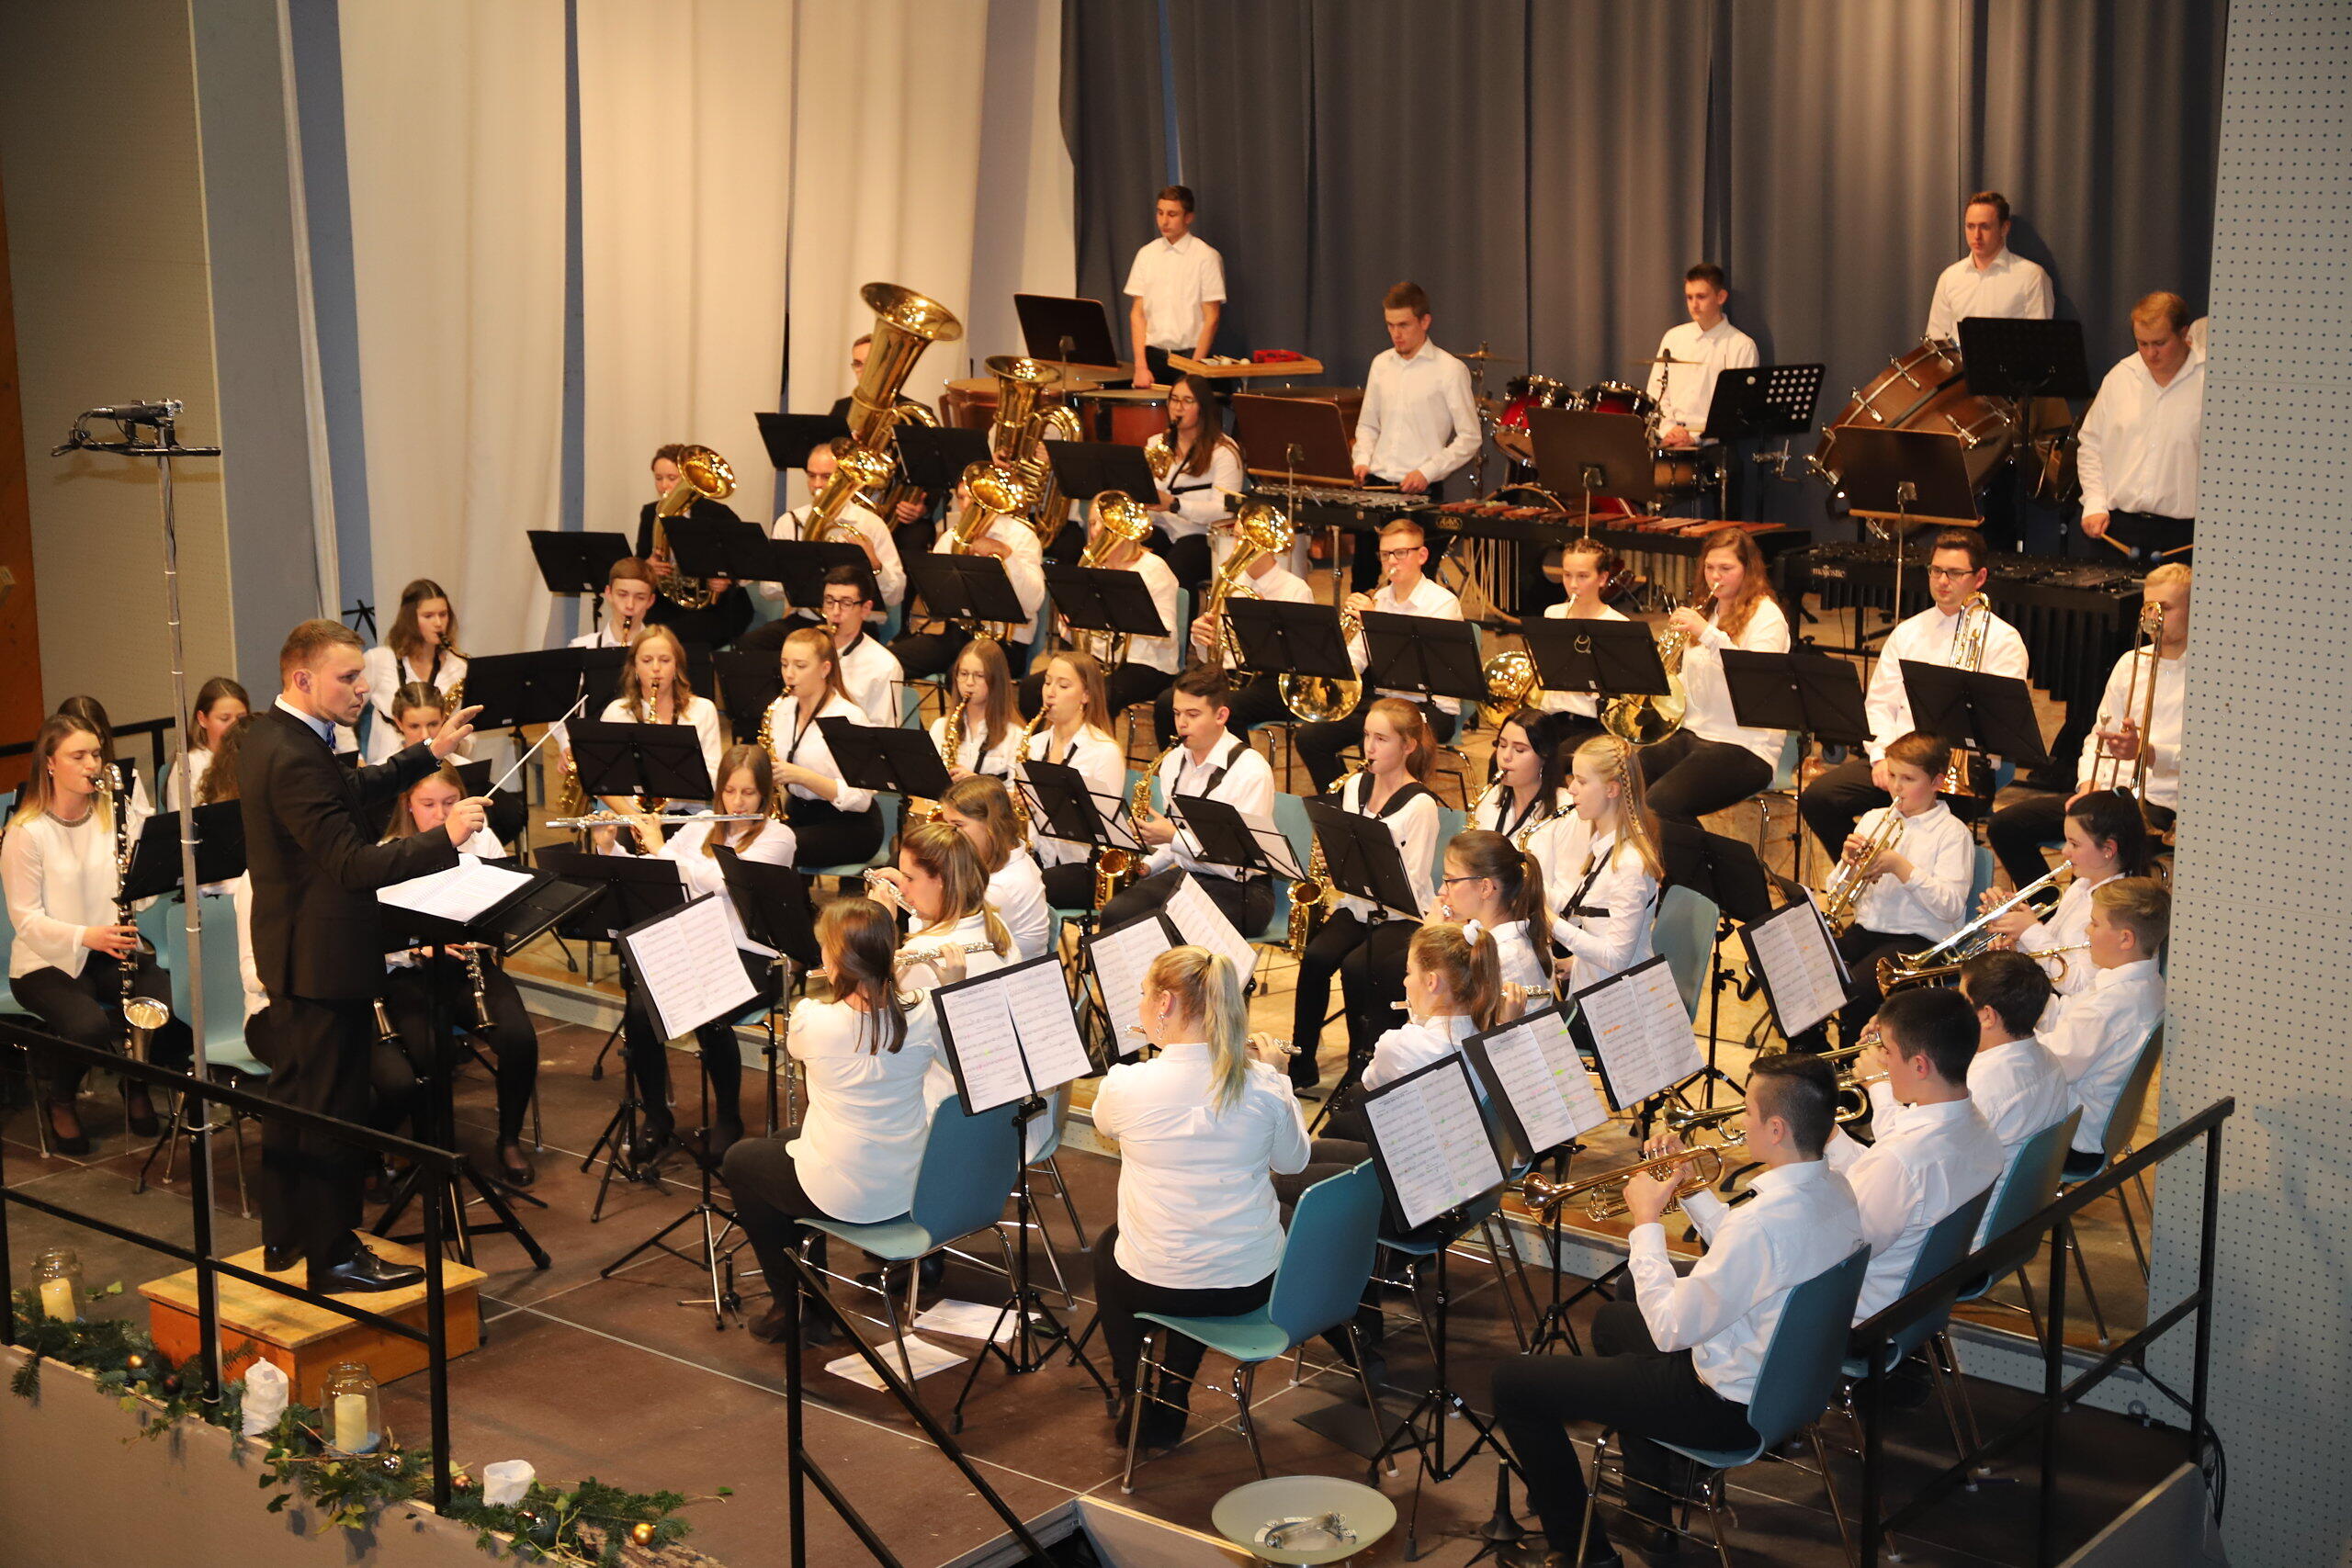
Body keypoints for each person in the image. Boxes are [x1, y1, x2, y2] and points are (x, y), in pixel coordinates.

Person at [1492, 1055, 1863, 1566]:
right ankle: (1650, 1508)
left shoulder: (1760, 1224)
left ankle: (1586, 1555)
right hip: (1790, 1385)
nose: (1739, 1125)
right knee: (1614, 1322)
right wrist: (1691, 1190)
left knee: (1515, 1384)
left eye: (1748, 1114)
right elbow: (1756, 1260)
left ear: (1776, 1128)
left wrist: (1646, 1221)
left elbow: (1670, 1330)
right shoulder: (1838, 1189)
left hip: (1724, 1407)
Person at [239, 618, 484, 1292]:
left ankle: (288, 1237)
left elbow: (345, 795)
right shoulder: (292, 754)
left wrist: (426, 751)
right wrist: (448, 839)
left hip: (303, 951)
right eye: (347, 678)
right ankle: (334, 1255)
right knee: (331, 1110)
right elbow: (350, 863)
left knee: (297, 1102)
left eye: (361, 675)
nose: (361, 688)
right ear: (302, 677)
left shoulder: (279, 734)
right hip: (319, 958)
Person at [1090, 947, 1306, 1449]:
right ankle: (1172, 1387)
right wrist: (1277, 1074)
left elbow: (1104, 1122)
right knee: (1198, 1248)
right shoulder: (1263, 1087)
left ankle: (1134, 1390)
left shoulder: (1127, 1085)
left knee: (1112, 1250)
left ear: (1165, 1004)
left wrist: (1158, 1052)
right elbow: (1293, 1163)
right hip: (1249, 1282)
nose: (1141, 1004)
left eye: (1145, 995)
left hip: (1158, 1283)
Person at [724, 898, 942, 1348]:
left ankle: (793, 1305)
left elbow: (813, 1030)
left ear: (838, 958)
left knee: (742, 1161)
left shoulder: (815, 1021)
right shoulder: (925, 1013)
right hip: (910, 1177)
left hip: (852, 1190)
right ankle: (811, 1299)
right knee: (787, 1143)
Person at [3, 716, 196, 1154]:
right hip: (43, 960)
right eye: (79, 756)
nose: (92, 764)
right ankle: (62, 1100)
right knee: (87, 1025)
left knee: (167, 1001)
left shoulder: (113, 815)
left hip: (107, 948)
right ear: (50, 763)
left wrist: (149, 880)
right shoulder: (26, 832)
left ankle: (136, 1080)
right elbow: (25, 920)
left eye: (96, 754)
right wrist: (85, 935)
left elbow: (137, 896)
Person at [611, 745, 796, 1164]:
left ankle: (728, 1116)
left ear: (765, 795)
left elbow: (721, 880)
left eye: (749, 793)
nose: (737, 802)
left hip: (753, 956)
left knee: (710, 1013)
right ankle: (657, 1116)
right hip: (695, 944)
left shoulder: (779, 837)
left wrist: (661, 848)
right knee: (641, 1010)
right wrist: (612, 847)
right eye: (730, 791)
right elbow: (662, 876)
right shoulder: (700, 825)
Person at [1798, 529, 2030, 855]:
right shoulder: (1908, 633)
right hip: (1899, 762)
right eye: (1936, 570)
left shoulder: (2003, 641)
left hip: (1960, 773)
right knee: (1820, 798)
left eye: (1955, 573)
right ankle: (1866, 874)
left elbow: (2002, 721)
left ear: (1979, 578)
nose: (1942, 581)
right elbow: (1879, 704)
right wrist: (1881, 758)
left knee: (1929, 835)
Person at [377, 763, 541, 1186]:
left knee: (520, 1038)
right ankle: (430, 1146)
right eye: (428, 805)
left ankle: (508, 1139)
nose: (441, 814)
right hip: (412, 974)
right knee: (430, 1052)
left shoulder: (482, 838)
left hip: (469, 967)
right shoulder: (391, 850)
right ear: (407, 806)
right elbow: (379, 939)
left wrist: (486, 937)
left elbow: (508, 905)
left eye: (450, 803)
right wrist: (417, 948)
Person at [1985, 564, 2186, 882]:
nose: (2153, 617)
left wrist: (2147, 752)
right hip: (2105, 793)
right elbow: (2098, 736)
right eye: (2149, 607)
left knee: (2092, 846)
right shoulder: (2130, 662)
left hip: (2160, 803)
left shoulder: (2211, 680)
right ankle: (2048, 915)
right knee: (2005, 826)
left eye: (2166, 608)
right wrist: (2087, 784)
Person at [1822, 988, 2005, 1321]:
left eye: (1887, 1052)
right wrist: (1832, 1139)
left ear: (1920, 1065)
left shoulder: (1900, 1162)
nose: (1881, 1061)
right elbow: (1888, 1184)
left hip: (1859, 1315)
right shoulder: (1981, 1127)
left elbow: (1835, 1253)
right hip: (1923, 1302)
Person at [1289, 698, 1441, 1091]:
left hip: (1402, 916)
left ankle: (1362, 1070)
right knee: (1317, 957)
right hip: (1356, 905)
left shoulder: (1421, 804)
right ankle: (1300, 1062)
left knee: (1359, 968)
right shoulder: (1356, 784)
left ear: (1408, 746)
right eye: (1366, 737)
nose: (1369, 748)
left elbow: (1411, 878)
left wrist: (1353, 865)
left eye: (1381, 739)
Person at [1803, 730, 1973, 1049]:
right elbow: (1838, 894)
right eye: (1893, 775)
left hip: (1921, 940)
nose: (1896, 786)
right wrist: (1848, 864)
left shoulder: (1952, 833)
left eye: (1908, 778)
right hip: (1868, 931)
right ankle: (1812, 1057)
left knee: (1856, 991)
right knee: (1802, 971)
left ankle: (1853, 1070)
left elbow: (1950, 907)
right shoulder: (1872, 819)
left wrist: (1902, 868)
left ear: (1937, 782)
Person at [1099, 667, 1278, 937]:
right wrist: (1149, 865)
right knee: (1117, 913)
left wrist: (1171, 837)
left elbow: (1235, 863)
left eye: (1193, 715)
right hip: (1190, 878)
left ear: (1221, 715)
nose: (1181, 723)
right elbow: (1179, 842)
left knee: (1171, 924)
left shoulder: (1251, 771)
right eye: (1176, 713)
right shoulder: (1173, 761)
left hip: (1244, 892)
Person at [1295, 516, 1467, 792]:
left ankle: (1380, 810)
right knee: (1310, 737)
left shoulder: (1443, 603)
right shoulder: (1380, 598)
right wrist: (1334, 660)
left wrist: (1374, 623)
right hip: (1384, 702)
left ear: (1422, 555)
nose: (1392, 562)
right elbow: (1357, 659)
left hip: (1431, 707)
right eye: (1386, 555)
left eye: (1401, 553)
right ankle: (1341, 807)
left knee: (1381, 740)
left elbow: (1420, 667)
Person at [1638, 526, 1791, 823]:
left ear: (1748, 570)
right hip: (1695, 733)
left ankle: (1701, 866)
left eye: (1726, 568)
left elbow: (1754, 681)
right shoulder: (1708, 609)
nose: (1715, 576)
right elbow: (1695, 682)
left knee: (1660, 804)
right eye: (1709, 567)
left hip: (1746, 745)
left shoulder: (1767, 617)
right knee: (1624, 780)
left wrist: (1708, 634)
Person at [1347, 282, 1481, 589]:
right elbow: (1368, 426)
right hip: (1375, 486)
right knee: (1363, 581)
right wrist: (1362, 460)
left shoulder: (1450, 370)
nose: (1396, 333)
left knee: (1415, 585)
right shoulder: (1380, 365)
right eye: (1390, 326)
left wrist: (1427, 471)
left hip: (1420, 491)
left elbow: (1470, 437)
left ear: (1425, 322)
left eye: (1404, 325)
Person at [1019, 494, 1182, 720]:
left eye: (1104, 523)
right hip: (1097, 661)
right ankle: (1041, 750)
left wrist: (1130, 618)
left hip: (1146, 665)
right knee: (1031, 689)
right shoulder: (1092, 567)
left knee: (1100, 695)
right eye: (1093, 523)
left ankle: (1094, 753)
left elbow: (1168, 636)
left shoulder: (1154, 569)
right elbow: (1073, 631)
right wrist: (1070, 623)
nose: (1096, 531)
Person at [1981, 788, 2149, 1000]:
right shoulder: (2081, 885)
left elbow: (2079, 985)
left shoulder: (2116, 909)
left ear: (2108, 849)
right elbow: (2049, 943)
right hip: (2047, 991)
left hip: (2069, 1008)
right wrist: (2014, 934)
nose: (2064, 851)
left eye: (2075, 844)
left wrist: (2030, 930)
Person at [2041, 877, 2167, 1155]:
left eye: (2095, 923)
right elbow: (2067, 1013)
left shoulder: (2108, 1008)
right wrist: (2024, 993)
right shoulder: (2149, 983)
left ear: (2126, 938)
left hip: (2072, 1134)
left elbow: (2044, 1066)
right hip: (2098, 1122)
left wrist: (2003, 1017)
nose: (2087, 930)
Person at [1152, 532, 1314, 747]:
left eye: (1249, 538)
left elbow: (1300, 655)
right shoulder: (1229, 585)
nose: (1240, 544)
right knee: (1167, 702)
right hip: (1229, 675)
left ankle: (1236, 774)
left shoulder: (1295, 589)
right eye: (1237, 536)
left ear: (1269, 543)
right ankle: (1177, 773)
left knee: (1229, 709)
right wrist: (1201, 638)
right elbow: (1213, 653)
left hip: (1274, 682)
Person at [2076, 294, 2204, 563]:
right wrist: (2094, 503)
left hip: (2184, 536)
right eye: (2142, 343)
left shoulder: (2209, 381)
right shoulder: (2120, 377)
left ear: (2183, 333)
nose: (2150, 353)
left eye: (2159, 343)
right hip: (2118, 530)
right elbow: (2091, 445)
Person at [890, 471, 1046, 681]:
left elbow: (1033, 601)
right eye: (961, 498)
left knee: (958, 678)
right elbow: (935, 599)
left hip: (1004, 644)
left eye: (974, 499)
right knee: (890, 662)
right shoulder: (951, 538)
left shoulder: (1022, 537)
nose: (966, 506)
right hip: (956, 634)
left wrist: (1005, 554)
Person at [749, 439, 907, 644]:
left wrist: (875, 565)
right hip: (805, 621)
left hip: (856, 625)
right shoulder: (790, 521)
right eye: (811, 475)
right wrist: (795, 572)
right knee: (751, 645)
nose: (816, 485)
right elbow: (768, 590)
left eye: (826, 477)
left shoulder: (871, 524)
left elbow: (896, 596)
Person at [762, 626, 885, 871]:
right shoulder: (782, 710)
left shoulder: (848, 717)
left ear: (825, 669)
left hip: (850, 825)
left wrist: (802, 776)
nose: (789, 674)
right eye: (785, 664)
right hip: (798, 814)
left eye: (800, 665)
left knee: (775, 847)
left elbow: (860, 800)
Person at [1551, 735, 1666, 994]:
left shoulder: (1629, 865)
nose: (1571, 789)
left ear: (1611, 790)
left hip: (1622, 1000)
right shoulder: (1603, 845)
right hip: (1597, 984)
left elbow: (1616, 958)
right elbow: (1600, 923)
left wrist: (1552, 924)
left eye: (1581, 781)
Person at [1931, 951, 2074, 1151]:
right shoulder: (2048, 1057)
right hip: (2031, 1179)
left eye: (1963, 1000)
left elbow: (1921, 1153)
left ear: (1988, 1016)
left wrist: (1880, 1081)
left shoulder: (1977, 1088)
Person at [1019, 651, 1125, 910]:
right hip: (1038, 856)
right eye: (1047, 682)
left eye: (1063, 685)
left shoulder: (1104, 752)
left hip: (1085, 867)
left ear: (1086, 695)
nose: (1050, 692)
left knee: (1023, 894)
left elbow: (1103, 830)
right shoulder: (1033, 745)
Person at [636, 444, 753, 650]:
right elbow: (641, 559)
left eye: (672, 478)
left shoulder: (718, 514)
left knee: (669, 638)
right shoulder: (649, 513)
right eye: (658, 478)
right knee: (645, 632)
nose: (664, 486)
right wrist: (648, 567)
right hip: (668, 604)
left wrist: (727, 579)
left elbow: (746, 559)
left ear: (688, 479)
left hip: (718, 607)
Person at [830, 333, 937, 559]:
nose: (864, 371)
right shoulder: (841, 410)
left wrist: (921, 509)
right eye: (858, 364)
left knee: (916, 539)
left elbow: (935, 476)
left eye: (871, 364)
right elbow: (822, 464)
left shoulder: (917, 414)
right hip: (847, 508)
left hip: (897, 516)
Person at [592, 626, 725, 807]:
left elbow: (715, 778)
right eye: (647, 660)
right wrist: (635, 820)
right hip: (631, 816)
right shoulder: (617, 712)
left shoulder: (703, 710)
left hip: (688, 815)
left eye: (665, 660)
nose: (656, 668)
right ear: (635, 667)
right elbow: (604, 780)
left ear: (676, 665)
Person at [1142, 372, 1247, 594]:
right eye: (1174, 399)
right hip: (1162, 528)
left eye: (1188, 401)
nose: (1178, 407)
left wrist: (1175, 504)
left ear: (1203, 408)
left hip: (1203, 537)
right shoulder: (1155, 444)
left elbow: (1224, 511)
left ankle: (1182, 628)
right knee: (1134, 558)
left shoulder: (1224, 451)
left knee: (1177, 569)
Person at [1432, 830, 1553, 1010]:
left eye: (1451, 880)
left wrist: (1431, 938)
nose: (1442, 890)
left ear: (1485, 888)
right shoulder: (1493, 936)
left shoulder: (1503, 956)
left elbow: (1441, 1018)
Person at [936, 775, 1052, 961]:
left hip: (1011, 978)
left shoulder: (1001, 887)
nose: (949, 834)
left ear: (990, 826)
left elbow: (945, 934)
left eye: (958, 825)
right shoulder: (1010, 853)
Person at [1647, 264, 1759, 451]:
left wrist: (1695, 438)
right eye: (1689, 297)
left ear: (1721, 297)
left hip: (1714, 447)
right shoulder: (1673, 338)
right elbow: (1656, 394)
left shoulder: (1742, 346)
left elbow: (1737, 410)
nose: (1694, 304)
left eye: (1701, 297)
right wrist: (1669, 430)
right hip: (1671, 441)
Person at [1125, 185, 1226, 388]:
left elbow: (1212, 317)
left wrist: (1195, 368)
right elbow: (1138, 313)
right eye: (1160, 213)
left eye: (1172, 214)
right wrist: (1140, 366)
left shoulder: (1206, 257)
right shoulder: (1146, 254)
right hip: (1153, 356)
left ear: (1188, 217)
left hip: (1189, 356)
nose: (1164, 221)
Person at [1535, 538, 1631, 749]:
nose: (1573, 585)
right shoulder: (1553, 614)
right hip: (1552, 716)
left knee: (1556, 760)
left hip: (1592, 724)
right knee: (1503, 757)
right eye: (1567, 575)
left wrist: (1595, 688)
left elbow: (1623, 695)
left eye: (1583, 576)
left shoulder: (1618, 625)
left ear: (1603, 578)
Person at [1925, 189, 2052, 344]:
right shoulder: (1950, 278)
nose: (1976, 235)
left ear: (2004, 228)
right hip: (1958, 369)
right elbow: (1935, 342)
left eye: (1985, 227)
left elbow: (2039, 344)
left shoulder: (2031, 276)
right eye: (1970, 226)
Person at [362, 581, 468, 763]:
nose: (438, 623)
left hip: (441, 770)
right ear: (410, 619)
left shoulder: (459, 667)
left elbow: (467, 729)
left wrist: (456, 742)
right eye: (428, 616)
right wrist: (357, 760)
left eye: (443, 615)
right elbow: (341, 714)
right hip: (386, 770)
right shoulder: (378, 660)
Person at [931, 637, 1025, 784]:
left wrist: (977, 783)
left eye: (979, 676)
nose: (969, 683)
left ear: (996, 681)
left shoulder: (1015, 735)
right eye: (963, 674)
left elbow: (1019, 797)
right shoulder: (940, 727)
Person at [168, 677, 252, 812]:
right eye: (225, 718)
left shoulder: (253, 757)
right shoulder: (188, 765)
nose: (234, 726)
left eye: (241, 718)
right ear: (202, 719)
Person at [567, 556, 660, 650]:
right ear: (608, 593)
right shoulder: (581, 647)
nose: (630, 605)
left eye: (640, 597)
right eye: (622, 595)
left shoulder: (663, 650)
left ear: (650, 600)